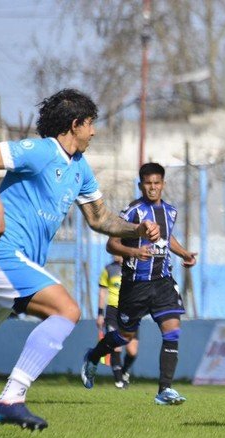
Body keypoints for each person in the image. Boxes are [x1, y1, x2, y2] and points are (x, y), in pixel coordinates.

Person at [0, 89, 160, 431]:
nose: (94, 132)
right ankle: (11, 398)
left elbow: (100, 219)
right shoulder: (41, 151)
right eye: (90, 125)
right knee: (66, 309)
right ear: (75, 124)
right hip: (3, 253)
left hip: (21, 262)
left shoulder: (80, 169)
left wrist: (137, 229)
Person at [81, 162, 197, 406]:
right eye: (148, 183)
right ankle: (92, 357)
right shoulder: (133, 211)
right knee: (124, 337)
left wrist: (184, 253)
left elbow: (168, 237)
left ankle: (164, 390)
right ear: (140, 185)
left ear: (163, 184)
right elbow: (111, 244)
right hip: (135, 285)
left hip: (163, 281)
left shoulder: (170, 212)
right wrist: (133, 253)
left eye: (157, 183)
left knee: (173, 329)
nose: (152, 188)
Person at [96, 255, 139, 388]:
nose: (115, 254)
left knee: (132, 351)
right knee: (116, 345)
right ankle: (119, 381)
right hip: (113, 312)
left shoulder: (135, 268)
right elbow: (102, 293)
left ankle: (124, 371)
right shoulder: (108, 269)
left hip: (131, 312)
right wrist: (100, 314)